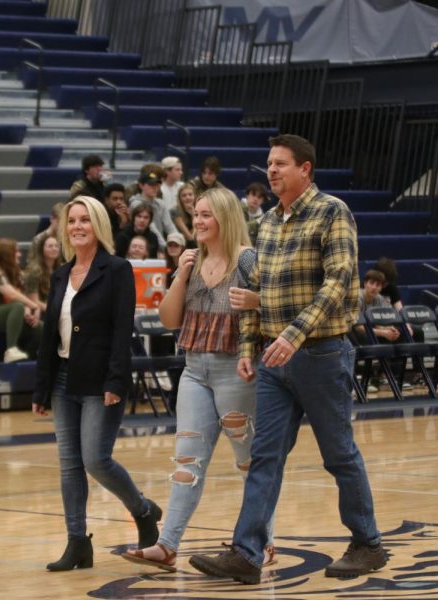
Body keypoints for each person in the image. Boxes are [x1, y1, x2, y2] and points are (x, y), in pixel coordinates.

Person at [189, 134, 387, 584]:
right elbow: (250, 296)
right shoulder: (268, 224)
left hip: (320, 352)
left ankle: (368, 543)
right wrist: (246, 347)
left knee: (338, 455)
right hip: (275, 358)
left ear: (306, 169)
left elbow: (339, 281)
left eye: (280, 164)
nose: (271, 171)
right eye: (268, 164)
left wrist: (294, 334)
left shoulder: (332, 212)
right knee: (264, 456)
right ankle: (246, 554)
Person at [122, 186, 276, 572]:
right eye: (196, 215)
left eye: (206, 215)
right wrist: (180, 276)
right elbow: (169, 320)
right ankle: (167, 544)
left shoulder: (247, 259)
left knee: (248, 463)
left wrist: (258, 301)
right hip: (193, 370)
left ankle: (263, 540)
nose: (198, 222)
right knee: (187, 460)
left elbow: (279, 300)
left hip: (236, 370)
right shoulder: (192, 261)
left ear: (225, 217)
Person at [31, 196, 162, 572]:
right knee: (69, 465)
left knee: (95, 460)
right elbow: (49, 336)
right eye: (71, 220)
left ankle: (142, 510)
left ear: (98, 225)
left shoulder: (117, 269)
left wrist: (117, 380)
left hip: (100, 378)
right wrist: (41, 389)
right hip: (62, 379)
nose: (77, 226)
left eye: (84, 219)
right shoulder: (60, 274)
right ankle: (77, 543)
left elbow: (123, 331)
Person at [0, 238, 42, 363]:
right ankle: (11, 350)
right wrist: (34, 306)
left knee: (40, 327)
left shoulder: (15, 272)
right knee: (17, 306)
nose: (20, 254)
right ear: (7, 254)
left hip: (6, 313)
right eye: (16, 252)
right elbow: (11, 293)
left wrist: (27, 313)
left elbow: (20, 294)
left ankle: (28, 358)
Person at [129, 171, 176, 248]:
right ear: (141, 186)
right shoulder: (136, 204)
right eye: (151, 185)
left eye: (157, 185)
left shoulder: (161, 203)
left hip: (159, 244)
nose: (155, 188)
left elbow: (169, 226)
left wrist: (178, 242)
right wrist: (165, 247)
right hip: (142, 244)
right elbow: (152, 227)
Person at [24, 234, 62, 313]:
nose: (54, 249)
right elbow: (33, 301)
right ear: (42, 250)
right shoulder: (34, 271)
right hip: (39, 311)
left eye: (56, 246)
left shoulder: (61, 269)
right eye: (50, 246)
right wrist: (57, 311)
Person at [171, 182, 196, 247]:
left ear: (194, 196)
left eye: (190, 195)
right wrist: (193, 215)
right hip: (182, 244)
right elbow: (190, 237)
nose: (187, 197)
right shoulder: (176, 211)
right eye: (184, 195)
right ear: (180, 198)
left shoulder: (199, 209)